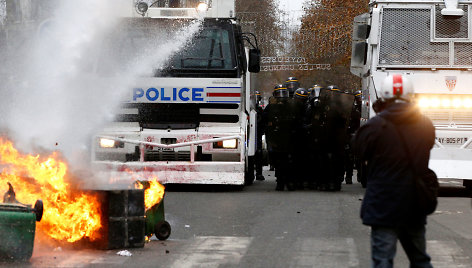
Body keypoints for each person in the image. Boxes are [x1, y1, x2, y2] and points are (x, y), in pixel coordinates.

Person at [354, 74, 435, 268]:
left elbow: (357, 149)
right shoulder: (425, 125)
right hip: (413, 200)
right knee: (420, 259)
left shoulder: (374, 126)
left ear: (384, 96)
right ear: (410, 95)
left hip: (383, 202)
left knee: (382, 260)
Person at [255, 91, 265, 181]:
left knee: (259, 154)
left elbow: (263, 123)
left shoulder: (260, 111)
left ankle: (259, 173)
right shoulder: (249, 110)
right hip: (252, 135)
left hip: (257, 135)